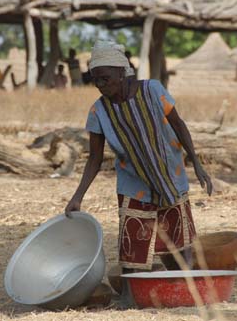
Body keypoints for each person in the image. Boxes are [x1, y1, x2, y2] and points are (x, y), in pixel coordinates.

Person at [65, 40, 213, 274]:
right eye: (96, 80)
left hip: (169, 174)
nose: (101, 85)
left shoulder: (153, 90)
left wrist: (196, 162)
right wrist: (78, 196)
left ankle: (185, 285)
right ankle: (131, 293)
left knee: (179, 239)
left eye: (105, 79)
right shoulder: (98, 111)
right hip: (133, 182)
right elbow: (94, 158)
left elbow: (178, 125)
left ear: (122, 73)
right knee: (132, 242)